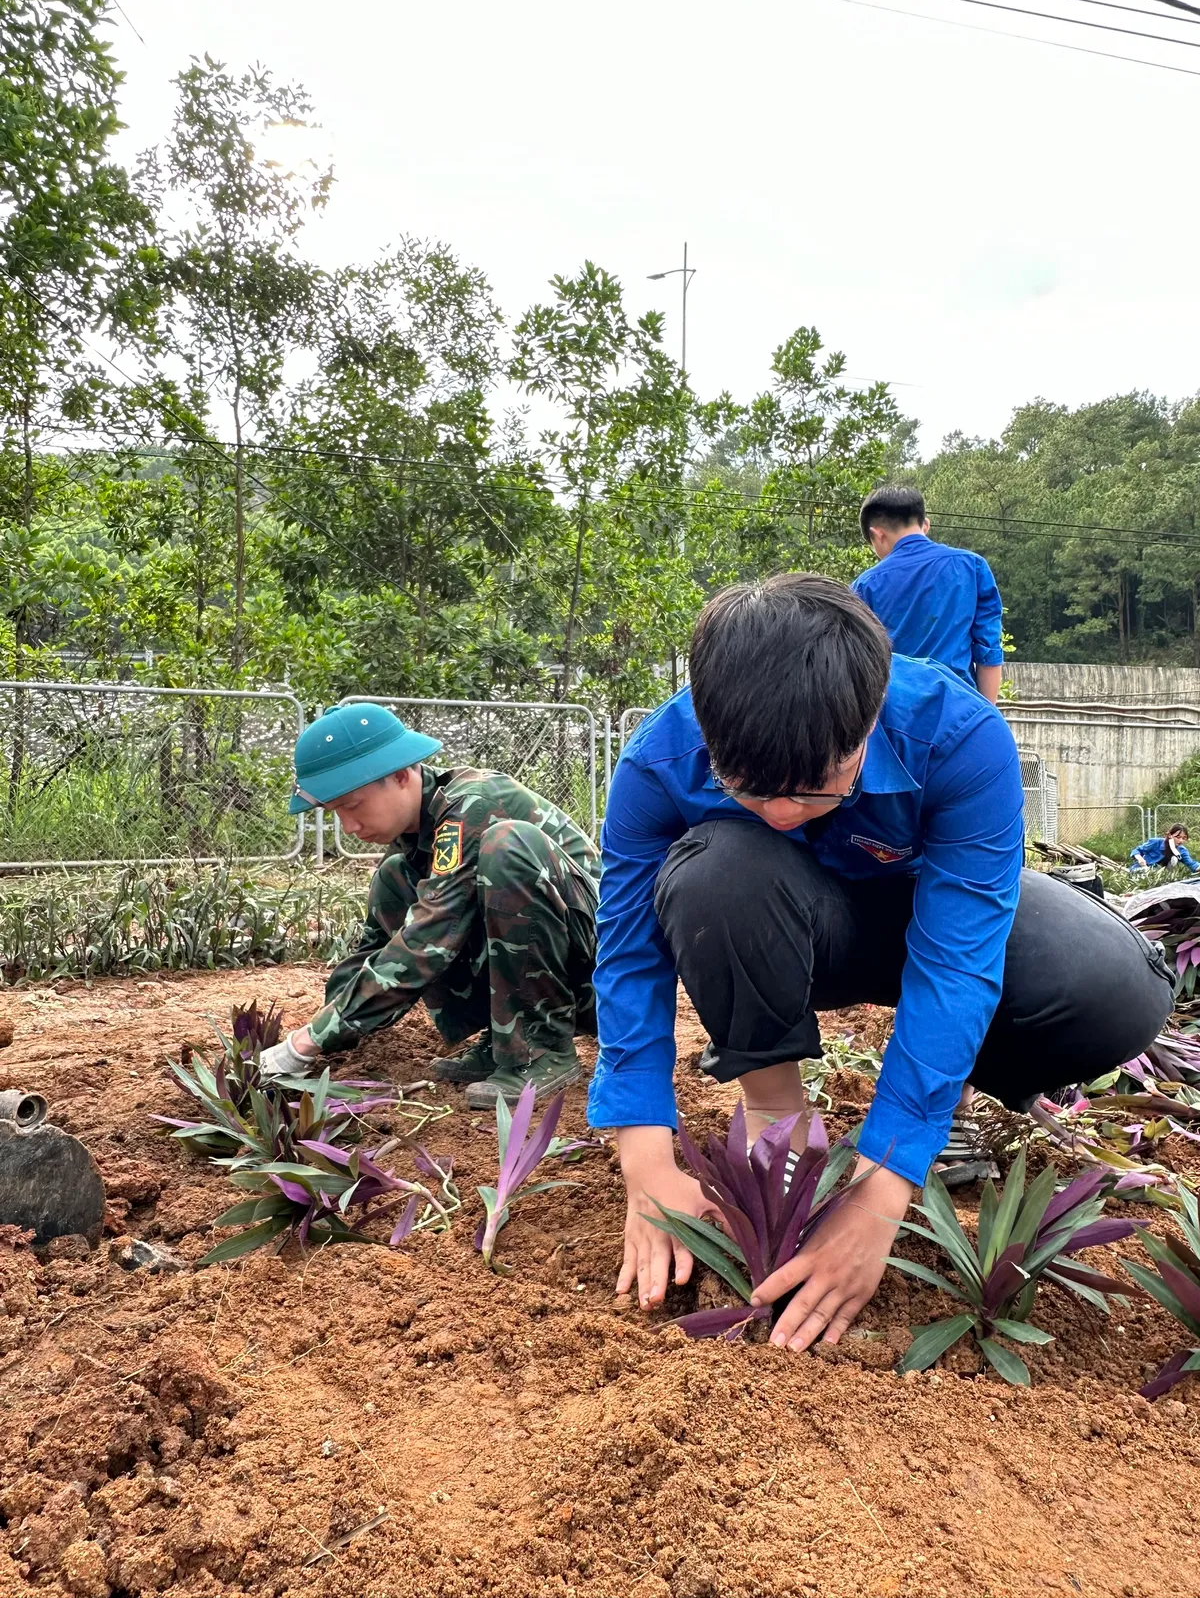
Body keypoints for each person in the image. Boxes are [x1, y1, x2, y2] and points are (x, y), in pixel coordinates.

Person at [589, 573, 1173, 1354]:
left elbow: (958, 961)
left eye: (814, 791)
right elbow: (629, 955)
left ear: (867, 723)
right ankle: (775, 1115)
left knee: (1114, 990)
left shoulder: (957, 735)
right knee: (717, 869)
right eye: (750, 790)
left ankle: (943, 1109)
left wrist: (881, 1187)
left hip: (925, 911)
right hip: (778, 923)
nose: (784, 812)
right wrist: (646, 1161)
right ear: (707, 729)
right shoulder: (659, 758)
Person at [260, 704, 600, 1106]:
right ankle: (504, 1038)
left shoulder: (472, 805)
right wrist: (322, 1031)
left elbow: (428, 938)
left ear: (403, 775)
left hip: (601, 976)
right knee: (393, 880)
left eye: (352, 805)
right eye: (335, 813)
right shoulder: (418, 839)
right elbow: (374, 949)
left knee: (506, 846)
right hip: (561, 968)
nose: (348, 827)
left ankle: (541, 1048)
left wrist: (306, 1041)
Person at [851, 484, 1005, 704]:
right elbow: (988, 650)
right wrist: (985, 716)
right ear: (924, 525)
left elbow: (857, 666)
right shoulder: (972, 567)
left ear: (877, 535)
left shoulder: (864, 585)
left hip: (895, 715)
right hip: (958, 709)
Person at [1131, 824, 1200, 875]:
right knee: (1140, 872)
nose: (1181, 840)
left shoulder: (1182, 850)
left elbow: (1192, 864)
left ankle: (1166, 877)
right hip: (1142, 869)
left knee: (1174, 859)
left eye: (1184, 838)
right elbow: (1137, 850)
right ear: (1170, 835)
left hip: (1160, 875)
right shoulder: (1156, 842)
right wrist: (1140, 859)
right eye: (1178, 837)